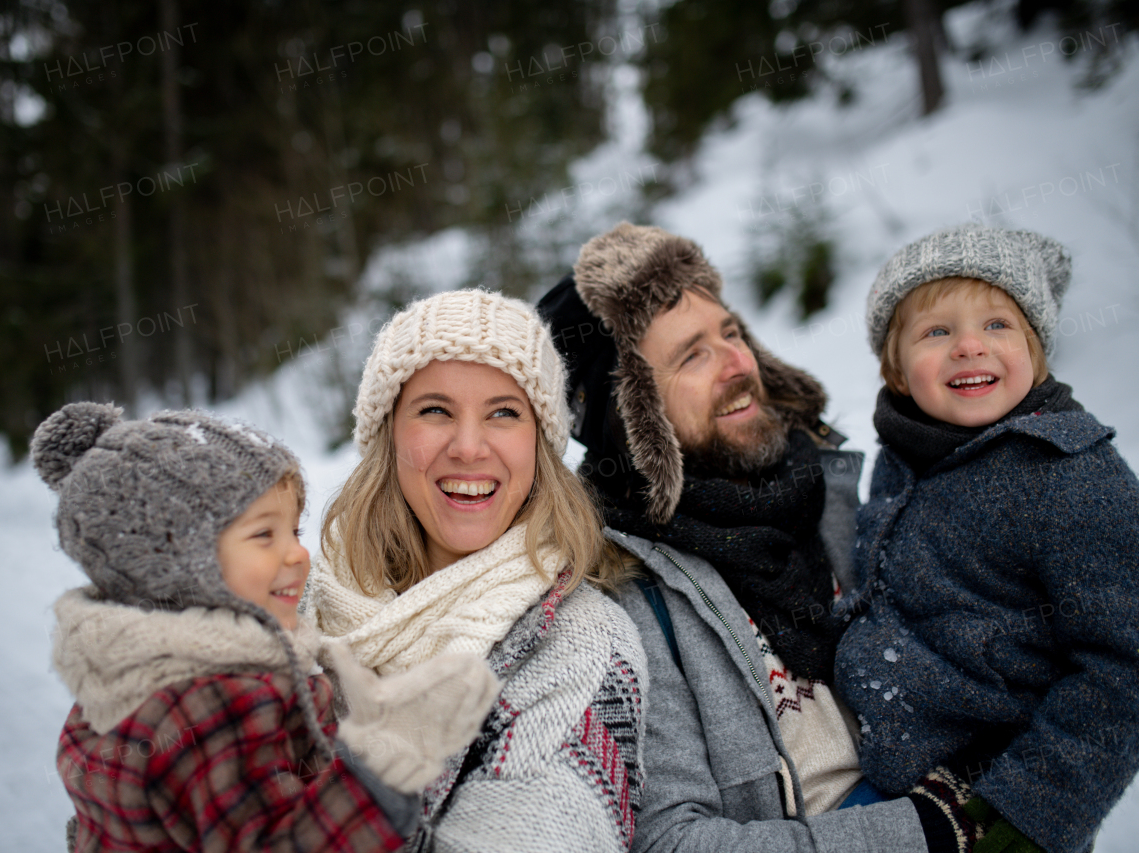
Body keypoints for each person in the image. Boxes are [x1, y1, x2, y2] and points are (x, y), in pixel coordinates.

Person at [538, 222, 959, 853]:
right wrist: (919, 833)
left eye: (731, 333)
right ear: (628, 417)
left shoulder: (843, 497)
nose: (739, 364)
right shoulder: (622, 600)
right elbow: (673, 840)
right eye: (692, 355)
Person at [33, 402, 498, 852]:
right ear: (173, 558)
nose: (298, 554)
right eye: (263, 535)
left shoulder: (124, 677)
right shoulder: (213, 704)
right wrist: (382, 767)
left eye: (294, 531)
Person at [306, 289, 647, 853]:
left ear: (540, 444)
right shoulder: (301, 602)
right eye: (435, 410)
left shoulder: (586, 649)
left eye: (504, 413)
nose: (468, 448)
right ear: (388, 434)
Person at [834, 224, 1139, 853]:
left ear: (1036, 349)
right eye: (936, 331)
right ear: (895, 369)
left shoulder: (1069, 476)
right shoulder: (906, 454)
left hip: (994, 799)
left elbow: (1124, 665)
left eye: (998, 326)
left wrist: (1032, 812)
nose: (969, 346)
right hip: (889, 773)